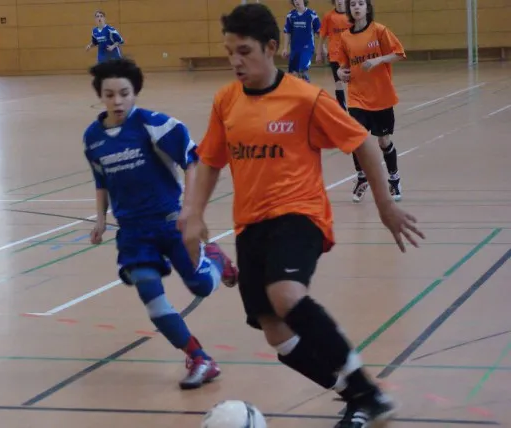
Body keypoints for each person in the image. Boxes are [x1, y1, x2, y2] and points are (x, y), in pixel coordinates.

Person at [176, 4, 424, 428]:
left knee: (285, 294)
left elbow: (363, 142)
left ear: (271, 47)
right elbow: (211, 160)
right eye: (230, 52)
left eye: (245, 51)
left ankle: (369, 393)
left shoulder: (305, 98)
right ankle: (355, 397)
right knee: (276, 333)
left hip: (299, 213)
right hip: (250, 224)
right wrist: (194, 212)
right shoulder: (226, 101)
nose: (236, 61)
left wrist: (386, 205)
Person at [82, 58, 239, 390]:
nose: (117, 101)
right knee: (150, 294)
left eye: (124, 93)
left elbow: (192, 161)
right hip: (134, 233)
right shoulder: (93, 138)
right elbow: (101, 180)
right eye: (109, 95)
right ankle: (199, 358)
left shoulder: (156, 125)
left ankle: (215, 260)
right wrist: (101, 219)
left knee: (200, 286)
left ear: (135, 92)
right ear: (100, 96)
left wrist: (190, 210)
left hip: (170, 224)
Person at [337, 0, 406, 203]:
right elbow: (343, 65)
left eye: (361, 3)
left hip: (381, 96)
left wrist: (379, 59)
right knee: (356, 139)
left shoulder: (379, 31)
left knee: (384, 141)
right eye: (353, 4)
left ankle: (394, 179)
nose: (356, 7)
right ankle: (362, 177)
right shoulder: (345, 37)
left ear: (367, 8)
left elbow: (399, 53)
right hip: (357, 97)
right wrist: (341, 72)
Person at [316, 0, 352, 110]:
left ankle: (356, 106)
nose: (339, 1)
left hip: (351, 54)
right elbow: (322, 36)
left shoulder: (351, 15)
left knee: (353, 81)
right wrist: (319, 52)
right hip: (335, 55)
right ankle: (342, 109)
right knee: (338, 82)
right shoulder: (328, 17)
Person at [281, 0, 321, 82]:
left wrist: (322, 47)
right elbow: (287, 32)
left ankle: (306, 88)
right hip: (294, 49)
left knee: (302, 70)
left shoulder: (312, 15)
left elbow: (320, 32)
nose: (297, 1)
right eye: (294, 0)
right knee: (293, 74)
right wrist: (285, 48)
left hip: (307, 48)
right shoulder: (290, 15)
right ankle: (299, 88)